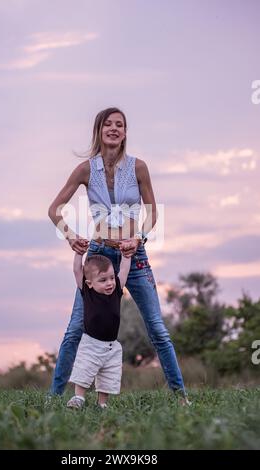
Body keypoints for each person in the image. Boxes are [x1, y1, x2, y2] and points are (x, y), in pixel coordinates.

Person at [48, 106, 189, 402]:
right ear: (99, 130)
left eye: (120, 125)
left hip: (133, 258)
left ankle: (181, 397)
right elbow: (54, 209)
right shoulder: (87, 169)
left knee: (158, 331)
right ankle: (53, 398)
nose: (114, 129)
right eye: (108, 124)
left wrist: (139, 238)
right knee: (75, 330)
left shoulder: (139, 168)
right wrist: (72, 237)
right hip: (98, 257)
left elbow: (152, 214)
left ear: (125, 132)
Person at [66, 251, 131, 409]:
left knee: (108, 376)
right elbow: (76, 270)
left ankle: (102, 404)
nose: (109, 283)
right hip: (91, 343)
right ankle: (78, 397)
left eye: (110, 278)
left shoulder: (116, 290)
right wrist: (79, 254)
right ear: (89, 283)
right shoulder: (87, 292)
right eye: (103, 280)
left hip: (112, 346)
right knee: (84, 370)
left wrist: (127, 256)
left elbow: (123, 270)